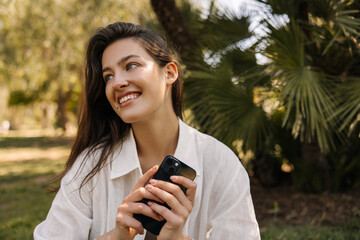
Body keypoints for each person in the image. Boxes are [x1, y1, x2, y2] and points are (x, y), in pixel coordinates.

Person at [33, 22, 260, 240]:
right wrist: (118, 236)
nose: (117, 83)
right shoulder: (90, 165)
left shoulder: (222, 165)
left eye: (131, 66)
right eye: (108, 76)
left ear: (170, 73)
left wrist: (175, 238)